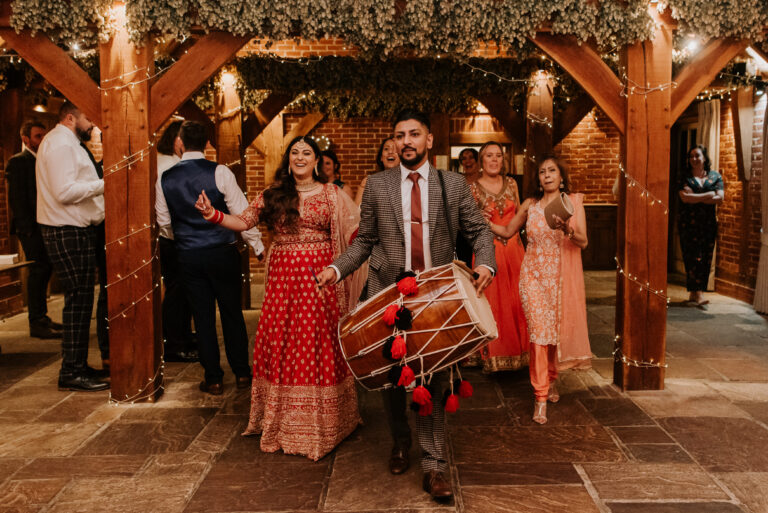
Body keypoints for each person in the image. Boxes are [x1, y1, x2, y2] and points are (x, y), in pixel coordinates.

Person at [315, 110, 495, 501]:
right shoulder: (378, 185)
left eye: (414, 134)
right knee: (390, 376)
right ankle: (399, 440)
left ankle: (433, 466)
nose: (407, 141)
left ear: (429, 140)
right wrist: (336, 268)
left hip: (435, 295)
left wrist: (485, 262)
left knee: (434, 376)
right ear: (395, 143)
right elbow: (365, 242)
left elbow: (479, 229)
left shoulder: (452, 184)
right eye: (400, 135)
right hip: (386, 293)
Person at [194, 136, 361, 461]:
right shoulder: (273, 195)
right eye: (295, 152)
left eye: (307, 153)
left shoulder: (331, 194)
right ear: (289, 160)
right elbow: (242, 221)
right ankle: (282, 421)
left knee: (316, 342)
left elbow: (355, 232)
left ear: (316, 161)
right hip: (283, 283)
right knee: (283, 341)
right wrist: (213, 214)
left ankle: (326, 422)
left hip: (319, 283)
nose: (300, 157)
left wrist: (339, 265)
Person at [156, 121, 264, 395]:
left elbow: (164, 223)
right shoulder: (220, 171)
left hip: (189, 256)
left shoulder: (165, 178)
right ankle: (242, 373)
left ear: (180, 142)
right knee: (232, 313)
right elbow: (242, 214)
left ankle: (213, 378)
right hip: (223, 253)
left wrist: (183, 236)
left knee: (201, 317)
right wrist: (257, 245)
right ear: (207, 143)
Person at [490, 155, 591, 424]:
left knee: (554, 334)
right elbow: (508, 230)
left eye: (552, 171)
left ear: (561, 177)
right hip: (532, 275)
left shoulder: (572, 203)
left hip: (559, 278)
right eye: (542, 172)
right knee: (538, 334)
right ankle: (540, 396)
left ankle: (552, 379)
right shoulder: (530, 205)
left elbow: (583, 241)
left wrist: (567, 229)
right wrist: (481, 221)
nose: (546, 175)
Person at [36, 101, 109, 392]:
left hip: (73, 228)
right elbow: (65, 192)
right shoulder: (61, 145)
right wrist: (105, 183)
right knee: (78, 302)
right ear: (70, 118)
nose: (92, 124)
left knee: (80, 302)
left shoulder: (67, 142)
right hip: (66, 229)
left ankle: (77, 365)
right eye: (88, 117)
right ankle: (71, 371)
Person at [468, 141, 528, 372]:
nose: (494, 160)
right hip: (488, 252)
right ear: (481, 161)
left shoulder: (512, 183)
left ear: (503, 161)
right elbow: (467, 224)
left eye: (498, 156)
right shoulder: (472, 188)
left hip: (515, 250)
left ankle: (522, 354)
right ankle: (493, 356)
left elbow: (521, 211)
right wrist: (479, 219)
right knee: (492, 303)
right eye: (489, 156)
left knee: (518, 302)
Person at [5, 120, 62, 339]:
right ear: (25, 139)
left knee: (46, 268)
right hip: (30, 227)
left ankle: (42, 316)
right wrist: (26, 228)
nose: (41, 140)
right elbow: (17, 198)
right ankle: (36, 320)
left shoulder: (43, 160)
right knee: (38, 270)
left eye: (43, 136)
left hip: (45, 222)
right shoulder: (18, 162)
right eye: (38, 136)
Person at [155, 120, 198, 362]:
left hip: (173, 236)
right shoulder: (169, 166)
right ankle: (175, 343)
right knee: (177, 292)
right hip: (172, 237)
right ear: (177, 141)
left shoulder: (169, 163)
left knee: (180, 290)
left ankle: (181, 335)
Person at [677, 144, 724, 309]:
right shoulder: (684, 177)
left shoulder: (715, 177)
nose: (694, 159)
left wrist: (695, 196)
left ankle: (695, 292)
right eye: (691, 157)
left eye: (697, 156)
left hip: (708, 224)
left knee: (705, 256)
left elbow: (719, 198)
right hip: (688, 223)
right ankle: (698, 293)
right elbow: (684, 198)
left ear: (704, 158)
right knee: (691, 256)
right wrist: (708, 195)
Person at [355, 137, 400, 206]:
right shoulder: (368, 182)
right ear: (381, 157)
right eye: (386, 149)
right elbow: (357, 212)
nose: (390, 152)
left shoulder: (409, 181)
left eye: (395, 149)